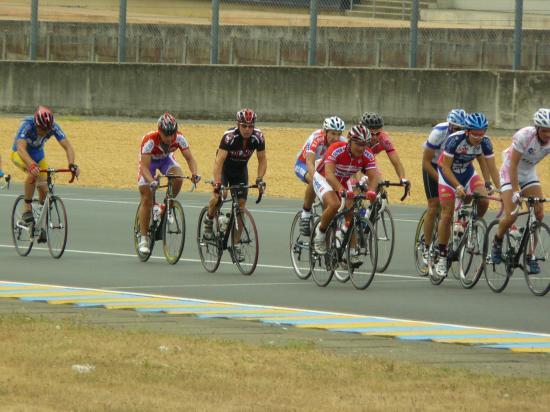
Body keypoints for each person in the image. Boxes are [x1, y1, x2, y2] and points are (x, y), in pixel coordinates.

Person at [434, 112, 500, 278]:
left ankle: (469, 226)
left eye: (482, 133)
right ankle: (442, 254)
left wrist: (493, 185)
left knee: (484, 200)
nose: (479, 137)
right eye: (475, 134)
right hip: (448, 174)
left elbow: (488, 165)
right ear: (467, 131)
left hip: (468, 172)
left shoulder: (485, 142)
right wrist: (457, 186)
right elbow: (445, 167)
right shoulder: (454, 140)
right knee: (447, 214)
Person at [491, 108, 550, 274]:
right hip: (510, 171)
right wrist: (516, 191)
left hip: (529, 172)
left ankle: (530, 256)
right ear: (537, 128)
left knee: (538, 213)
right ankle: (497, 242)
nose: (547, 134)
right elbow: (513, 165)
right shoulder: (524, 136)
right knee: (512, 214)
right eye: (544, 130)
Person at [203, 108, 267, 260]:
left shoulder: (258, 137)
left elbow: (262, 160)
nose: (247, 129)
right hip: (224, 169)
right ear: (238, 124)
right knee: (220, 196)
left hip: (240, 171)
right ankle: (209, 220)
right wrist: (218, 183)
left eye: (250, 126)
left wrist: (259, 179)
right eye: (244, 126)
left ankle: (236, 245)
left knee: (241, 207)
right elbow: (218, 162)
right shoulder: (229, 137)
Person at [11, 106, 80, 242]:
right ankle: (26, 208)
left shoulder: (53, 126)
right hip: (20, 154)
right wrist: (30, 164)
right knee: (33, 173)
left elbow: (68, 146)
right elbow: (20, 148)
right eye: (42, 129)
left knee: (44, 187)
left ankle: (38, 222)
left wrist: (72, 164)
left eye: (47, 130)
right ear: (36, 124)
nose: (44, 132)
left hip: (38, 155)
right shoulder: (27, 125)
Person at [312, 124, 378, 264]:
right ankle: (321, 233)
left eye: (365, 144)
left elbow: (373, 176)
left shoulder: (367, 154)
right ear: (349, 140)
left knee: (351, 212)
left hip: (343, 179)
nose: (361, 148)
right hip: (324, 178)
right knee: (334, 204)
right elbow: (329, 174)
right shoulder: (336, 149)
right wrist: (341, 190)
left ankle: (353, 252)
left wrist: (371, 191)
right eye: (358, 144)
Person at [137, 112, 200, 254]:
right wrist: (151, 181)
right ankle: (144, 237)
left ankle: (166, 205)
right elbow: (144, 167)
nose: (170, 138)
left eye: (172, 134)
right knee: (146, 196)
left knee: (178, 177)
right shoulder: (150, 141)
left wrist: (195, 173)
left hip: (166, 160)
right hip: (149, 163)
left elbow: (190, 158)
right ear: (159, 132)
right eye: (167, 135)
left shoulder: (180, 138)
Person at [421, 109, 467, 263]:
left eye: (460, 128)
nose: (457, 131)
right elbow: (425, 162)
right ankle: (426, 247)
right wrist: (442, 181)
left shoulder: (465, 136)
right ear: (449, 124)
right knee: (434, 205)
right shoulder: (438, 132)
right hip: (432, 166)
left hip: (450, 167)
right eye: (454, 127)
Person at [294, 116, 346, 236]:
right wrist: (317, 179)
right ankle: (305, 213)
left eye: (339, 134)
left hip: (323, 168)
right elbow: (310, 162)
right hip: (304, 164)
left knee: (329, 202)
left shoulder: (343, 142)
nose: (336, 138)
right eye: (333, 133)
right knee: (314, 179)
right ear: (325, 131)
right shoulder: (316, 138)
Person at [360, 112, 409, 187]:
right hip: (354, 162)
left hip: (369, 161)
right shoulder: (356, 139)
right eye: (371, 134)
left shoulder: (384, 140)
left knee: (378, 184)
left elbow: (397, 163)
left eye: (378, 133)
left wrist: (402, 179)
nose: (375, 137)